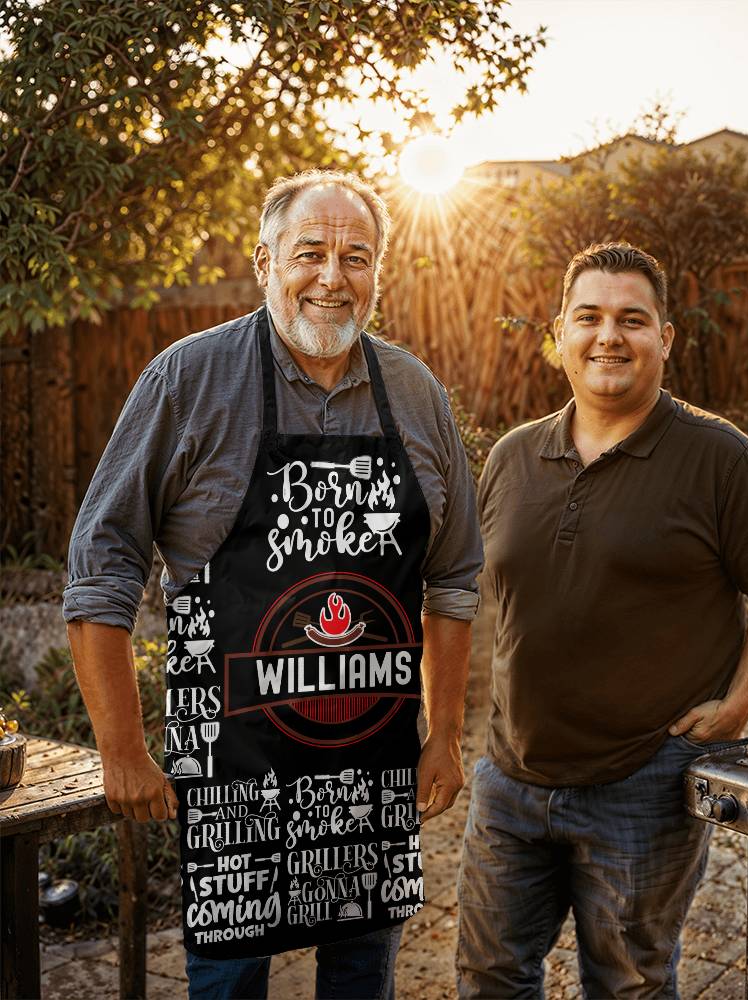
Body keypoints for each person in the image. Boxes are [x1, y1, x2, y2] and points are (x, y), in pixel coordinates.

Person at [64, 169, 483, 999]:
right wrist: (122, 749)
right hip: (232, 772)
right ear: (265, 263)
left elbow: (455, 574)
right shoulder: (187, 382)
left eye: (356, 257)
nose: (333, 278)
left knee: (364, 977)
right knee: (228, 983)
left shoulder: (415, 392)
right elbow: (102, 562)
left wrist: (444, 733)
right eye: (311, 253)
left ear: (378, 274)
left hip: (369, 773)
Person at [457, 242, 748, 999]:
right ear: (559, 334)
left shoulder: (719, 457)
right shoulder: (514, 457)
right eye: (588, 317)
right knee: (489, 978)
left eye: (631, 319)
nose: (608, 336)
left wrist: (739, 706)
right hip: (509, 777)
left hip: (642, 783)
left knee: (629, 985)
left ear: (665, 339)